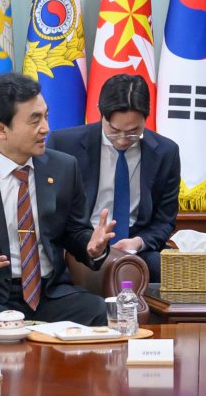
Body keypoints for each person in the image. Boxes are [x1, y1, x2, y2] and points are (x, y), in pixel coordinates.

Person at [0, 73, 113, 338]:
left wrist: (92, 248)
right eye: (35, 120)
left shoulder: (64, 168)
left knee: (99, 312)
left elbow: (74, 232)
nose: (46, 128)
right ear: (0, 129)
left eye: (46, 116)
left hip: (49, 293)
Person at [47, 74, 180, 283]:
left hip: (135, 248)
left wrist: (139, 242)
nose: (122, 140)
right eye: (114, 131)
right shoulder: (64, 145)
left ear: (147, 116)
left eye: (133, 132)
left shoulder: (165, 152)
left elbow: (165, 220)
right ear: (101, 113)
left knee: (170, 273)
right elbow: (51, 210)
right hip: (80, 244)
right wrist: (84, 241)